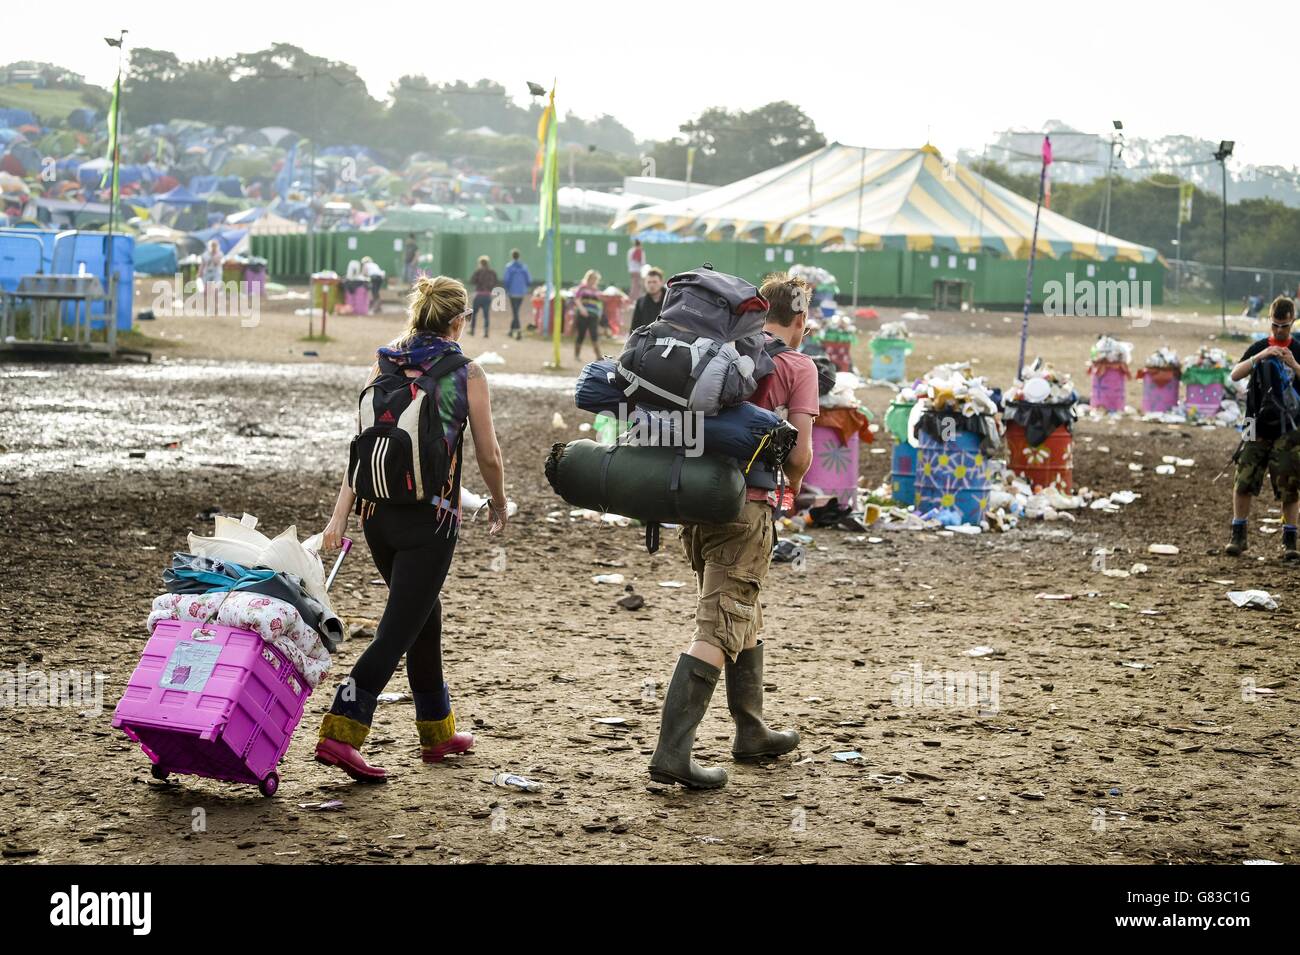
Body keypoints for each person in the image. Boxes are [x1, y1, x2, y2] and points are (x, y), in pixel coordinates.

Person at [315, 275, 509, 782]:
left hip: (376, 516)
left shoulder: (385, 365)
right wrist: (501, 501)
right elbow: (488, 453)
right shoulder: (466, 373)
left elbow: (360, 448)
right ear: (459, 321)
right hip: (431, 521)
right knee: (397, 630)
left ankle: (437, 732)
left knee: (424, 616)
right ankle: (342, 728)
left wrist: (340, 517)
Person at [647, 272, 816, 789]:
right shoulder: (796, 365)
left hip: (696, 504)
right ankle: (672, 753)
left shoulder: (722, 353)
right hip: (746, 512)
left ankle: (751, 729)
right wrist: (794, 483)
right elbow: (801, 453)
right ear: (802, 320)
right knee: (719, 627)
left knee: (743, 608)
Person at [1226, 295, 1300, 559]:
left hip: (1290, 425)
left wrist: (1294, 364)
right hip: (1253, 421)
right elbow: (1234, 374)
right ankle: (1238, 535)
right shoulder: (1259, 346)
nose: (1280, 331)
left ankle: (1290, 540)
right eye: (1276, 325)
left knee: (1290, 483)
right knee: (1243, 477)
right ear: (1270, 322)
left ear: (1292, 322)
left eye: (1285, 326)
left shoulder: (1298, 348)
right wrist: (1261, 355)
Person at [572, 269, 604, 362]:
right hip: (582, 315)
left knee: (594, 335)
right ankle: (576, 355)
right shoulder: (582, 288)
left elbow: (599, 304)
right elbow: (577, 299)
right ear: (588, 278)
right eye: (592, 278)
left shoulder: (597, 291)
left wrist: (599, 314)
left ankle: (598, 356)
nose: (594, 281)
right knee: (581, 335)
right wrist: (582, 309)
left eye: (596, 279)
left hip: (593, 316)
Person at [502, 249, 532, 340]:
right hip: (521, 292)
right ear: (519, 256)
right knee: (516, 311)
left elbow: (506, 280)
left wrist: (507, 288)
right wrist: (525, 286)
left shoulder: (509, 267)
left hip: (512, 292)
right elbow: (529, 279)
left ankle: (518, 331)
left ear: (512, 256)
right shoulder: (524, 267)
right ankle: (511, 331)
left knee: (515, 312)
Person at [469, 255, 498, 338]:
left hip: (478, 295)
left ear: (480, 263)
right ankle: (486, 332)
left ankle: (472, 330)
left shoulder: (478, 272)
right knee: (486, 315)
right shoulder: (492, 272)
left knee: (474, 314)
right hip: (487, 296)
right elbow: (495, 282)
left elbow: (472, 281)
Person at [630, 267, 665, 332]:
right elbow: (635, 327)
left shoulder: (670, 300)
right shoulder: (641, 302)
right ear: (645, 283)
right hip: (647, 339)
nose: (651, 285)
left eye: (654, 282)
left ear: (661, 282)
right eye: (649, 282)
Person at [200, 240, 223, 313]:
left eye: (215, 246)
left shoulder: (219, 254)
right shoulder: (205, 254)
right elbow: (202, 264)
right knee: (207, 290)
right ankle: (208, 305)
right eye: (212, 246)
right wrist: (199, 273)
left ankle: (215, 305)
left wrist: (213, 256)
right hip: (207, 273)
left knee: (215, 289)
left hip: (216, 273)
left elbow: (217, 263)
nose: (213, 247)